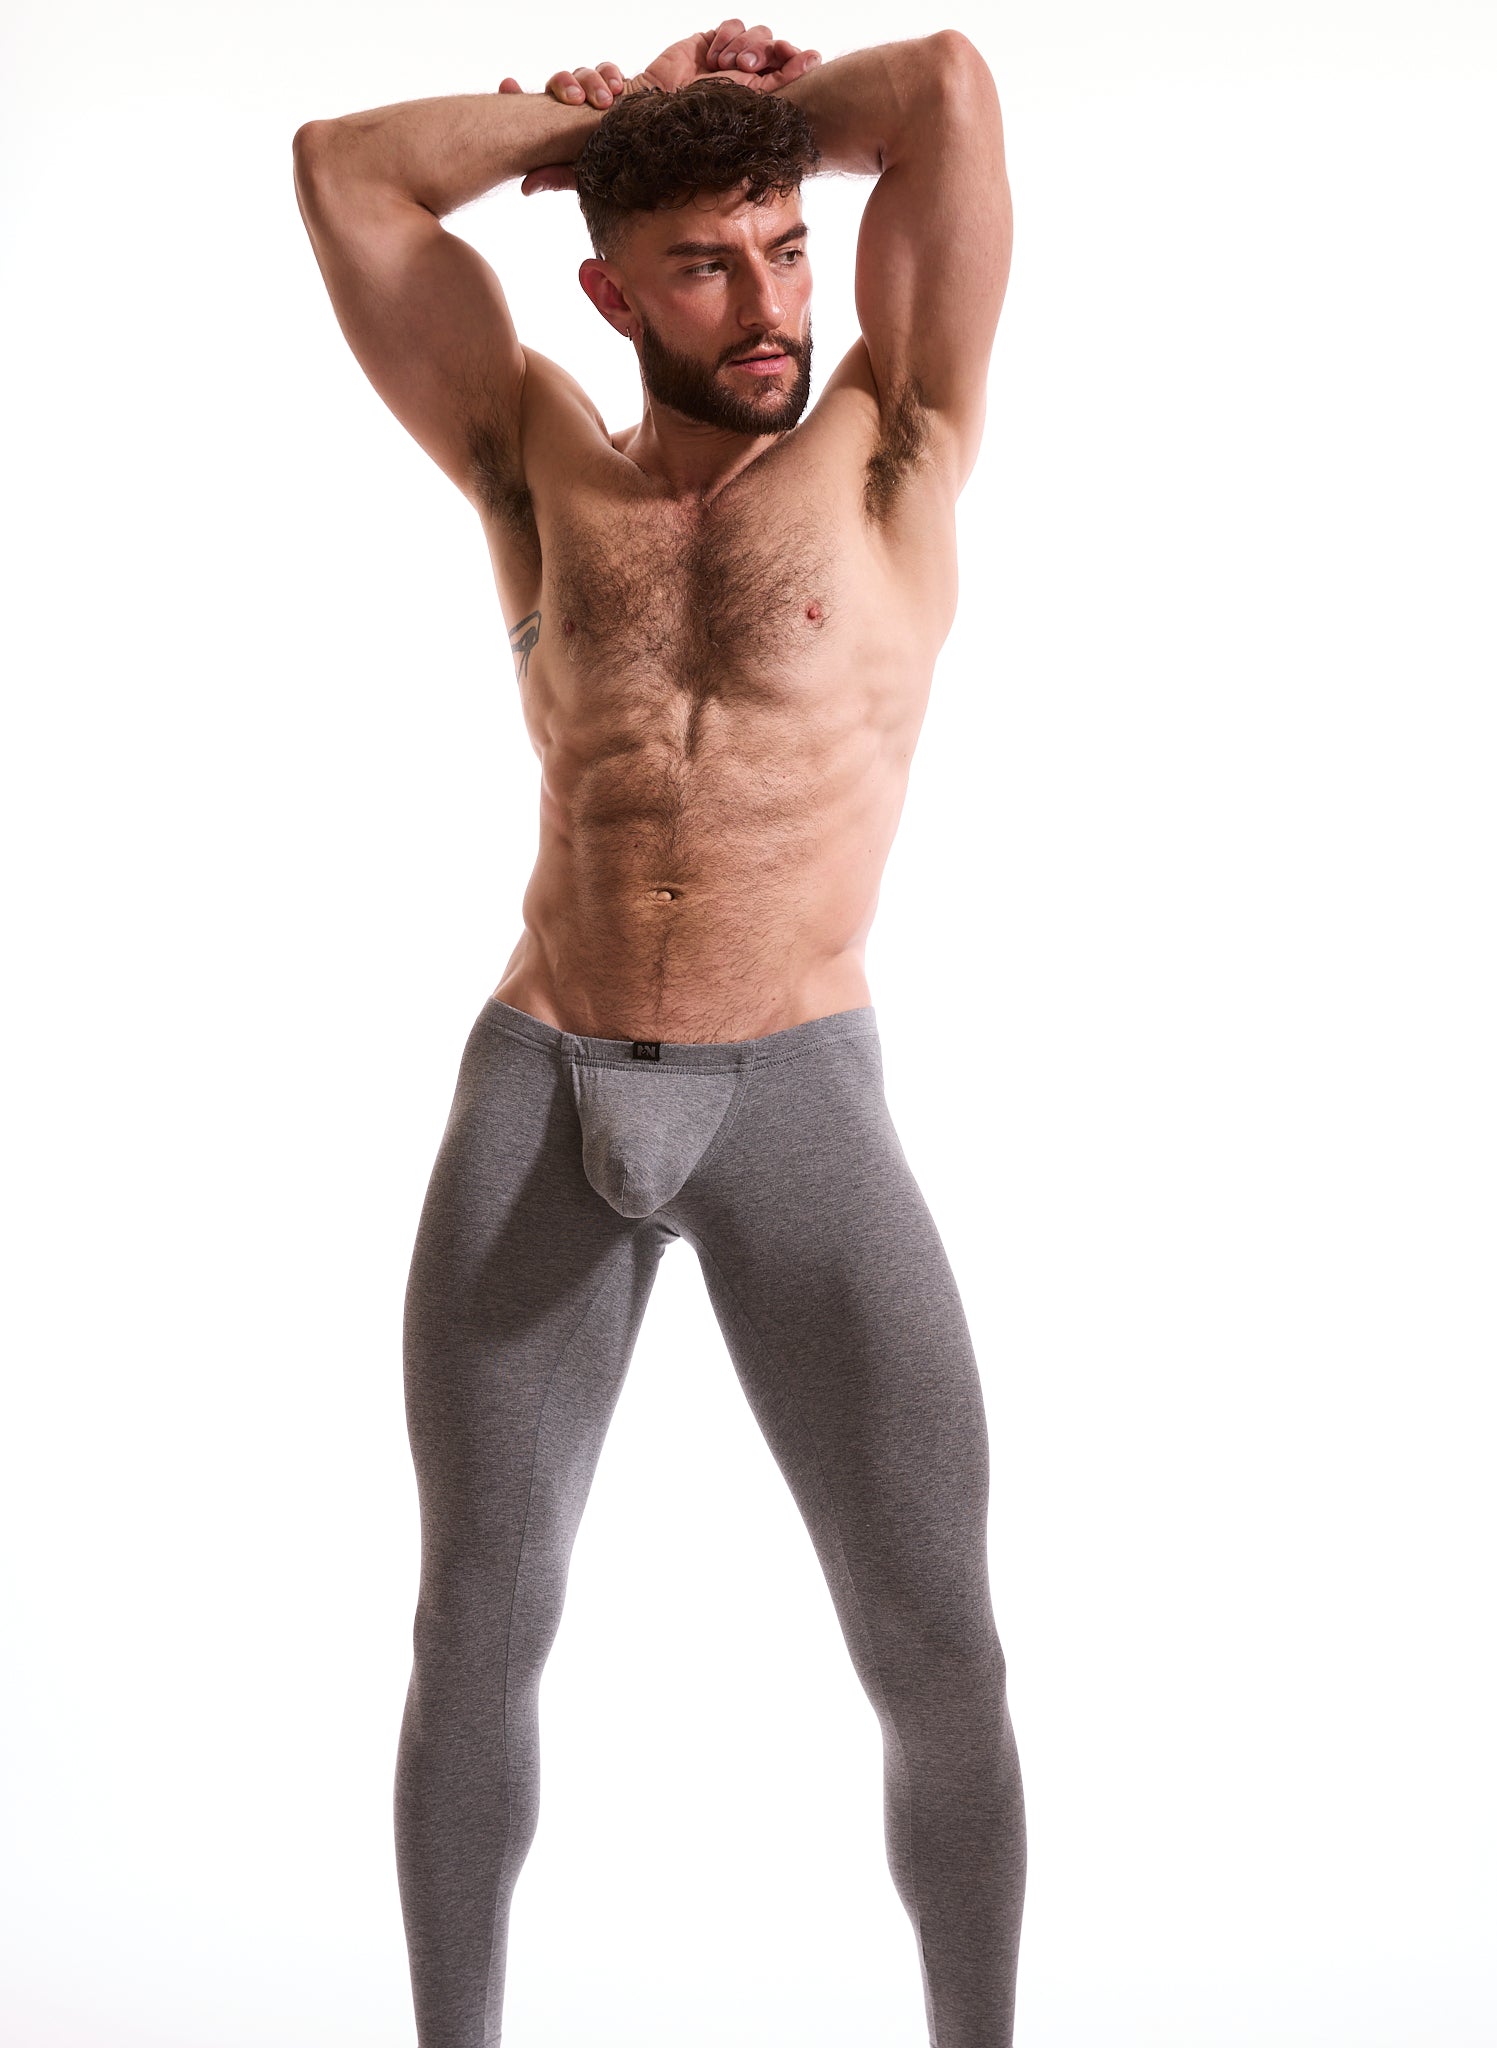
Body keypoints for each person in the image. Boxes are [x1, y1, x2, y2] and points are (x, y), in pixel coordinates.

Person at [292, 19, 1022, 2045]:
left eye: (787, 245)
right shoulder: (533, 453)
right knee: (475, 1630)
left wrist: (746, 114)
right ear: (608, 292)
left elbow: (949, 91)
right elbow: (344, 170)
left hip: (799, 1089)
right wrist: (568, 131)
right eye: (704, 264)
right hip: (542, 1077)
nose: (771, 302)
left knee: (936, 1643)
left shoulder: (894, 438)